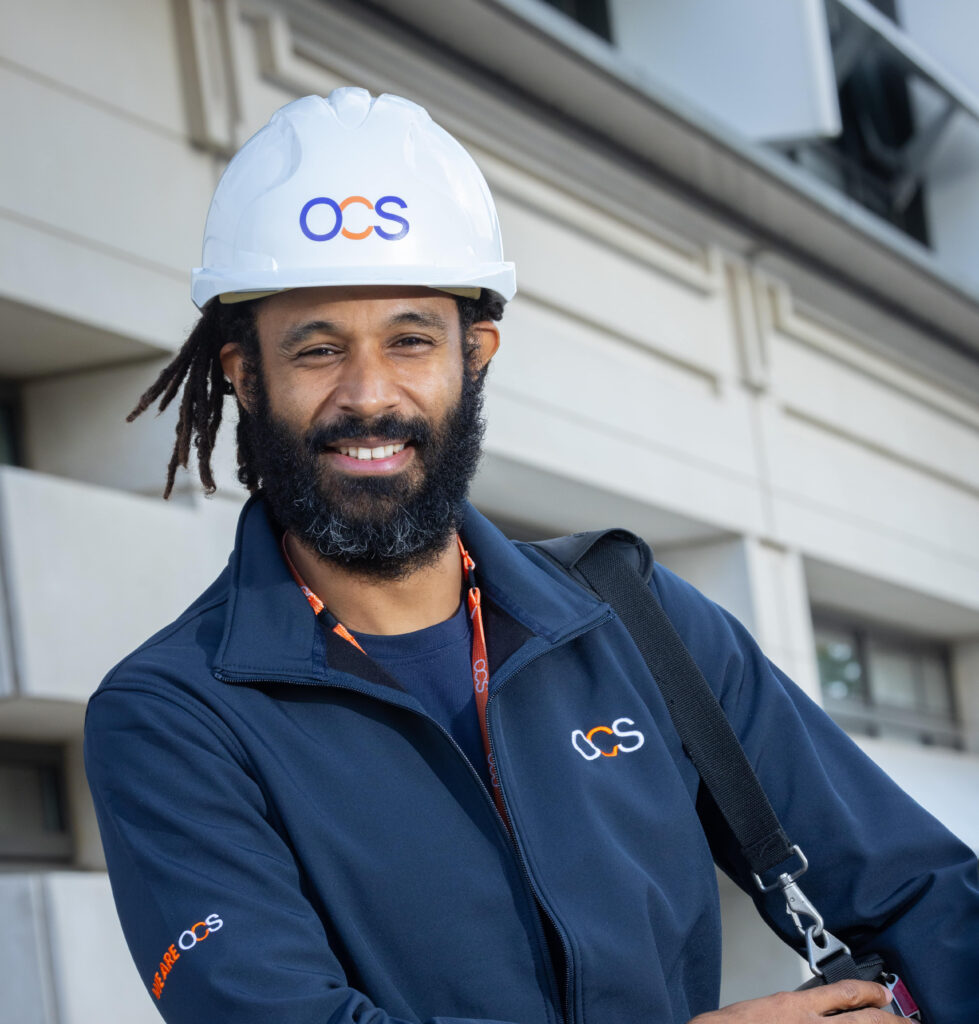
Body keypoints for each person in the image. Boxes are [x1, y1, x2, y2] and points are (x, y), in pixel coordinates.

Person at [84, 88, 977, 1024]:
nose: (369, 395)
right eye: (316, 350)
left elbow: (922, 897)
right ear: (244, 375)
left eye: (410, 341)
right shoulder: (172, 718)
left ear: (475, 355)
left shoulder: (634, 617)